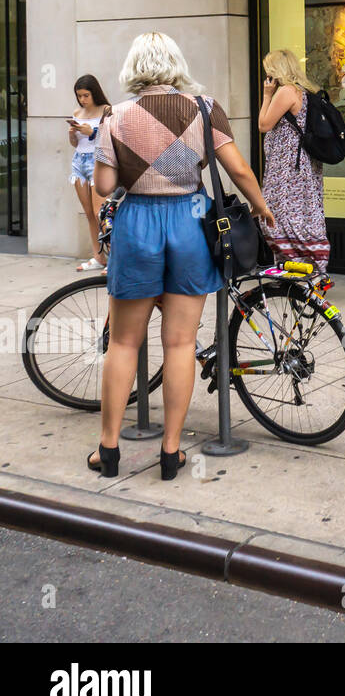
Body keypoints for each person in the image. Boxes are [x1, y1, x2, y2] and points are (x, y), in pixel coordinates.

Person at [86, 33, 275, 481]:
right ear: (175, 63)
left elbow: (104, 186)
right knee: (180, 344)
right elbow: (239, 170)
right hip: (190, 225)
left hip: (137, 227)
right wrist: (263, 207)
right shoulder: (205, 108)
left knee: (124, 343)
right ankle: (171, 452)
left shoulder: (116, 115)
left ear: (134, 68)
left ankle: (109, 450)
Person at [258, 48, 329, 271]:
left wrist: (267, 95)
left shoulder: (286, 91)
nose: (268, 76)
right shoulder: (306, 91)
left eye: (269, 71)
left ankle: (295, 264)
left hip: (288, 168)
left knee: (273, 213)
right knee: (304, 212)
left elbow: (263, 125)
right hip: (304, 166)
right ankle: (311, 263)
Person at [68, 74, 111, 271]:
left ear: (95, 93)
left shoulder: (107, 111)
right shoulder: (77, 112)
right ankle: (98, 257)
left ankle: (115, 257)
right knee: (88, 213)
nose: (82, 100)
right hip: (79, 162)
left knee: (100, 212)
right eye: (79, 96)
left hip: (97, 161)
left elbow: (111, 138)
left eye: (86, 95)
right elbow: (75, 144)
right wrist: (73, 135)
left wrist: (91, 132)